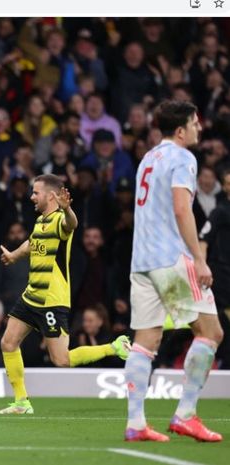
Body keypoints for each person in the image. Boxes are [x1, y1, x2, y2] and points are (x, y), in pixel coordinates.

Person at [124, 100, 224, 442]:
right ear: (180, 130)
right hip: (171, 258)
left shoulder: (147, 159)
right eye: (195, 123)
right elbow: (183, 209)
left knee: (145, 342)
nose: (199, 128)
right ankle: (185, 414)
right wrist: (199, 258)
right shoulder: (184, 157)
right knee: (211, 332)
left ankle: (136, 423)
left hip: (142, 261)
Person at [0, 174, 131, 415]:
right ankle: (21, 402)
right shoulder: (40, 222)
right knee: (8, 342)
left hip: (52, 301)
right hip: (31, 296)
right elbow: (32, 242)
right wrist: (15, 255)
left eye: (36, 192)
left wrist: (68, 210)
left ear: (50, 195)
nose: (31, 197)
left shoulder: (60, 220)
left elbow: (72, 225)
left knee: (62, 360)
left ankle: (114, 346)